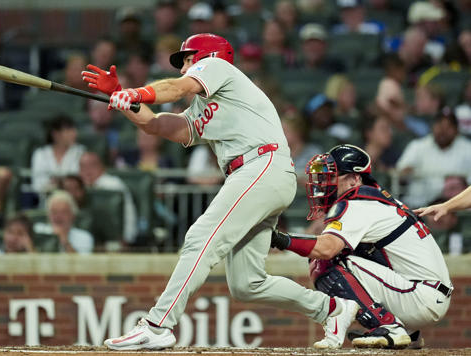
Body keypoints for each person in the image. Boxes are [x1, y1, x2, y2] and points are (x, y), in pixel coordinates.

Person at [82, 32, 359, 350]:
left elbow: (173, 88)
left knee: (200, 237)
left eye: (188, 59)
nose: (184, 67)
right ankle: (332, 309)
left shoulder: (220, 69)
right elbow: (158, 125)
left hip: (261, 164)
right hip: (258, 175)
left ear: (208, 57)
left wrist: (136, 92)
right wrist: (120, 96)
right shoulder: (203, 107)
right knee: (247, 283)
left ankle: (159, 324)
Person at [271, 144, 452, 349]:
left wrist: (282, 239)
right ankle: (408, 333)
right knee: (345, 252)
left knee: (325, 261)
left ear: (354, 179)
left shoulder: (357, 204)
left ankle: (390, 328)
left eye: (331, 176)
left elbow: (326, 249)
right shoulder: (375, 200)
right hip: (424, 293)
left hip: (420, 296)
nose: (323, 184)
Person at [396, 108, 471, 208]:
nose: (443, 131)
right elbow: (398, 174)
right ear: (432, 127)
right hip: (420, 206)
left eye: (448, 126)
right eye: (440, 125)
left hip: (454, 209)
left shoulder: (467, 148)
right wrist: (406, 172)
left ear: (456, 130)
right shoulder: (417, 146)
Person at [79, 151, 138, 245]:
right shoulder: (78, 188)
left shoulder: (114, 185)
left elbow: (128, 213)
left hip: (115, 241)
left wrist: (127, 238)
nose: (87, 170)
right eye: (83, 166)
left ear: (103, 167)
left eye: (92, 165)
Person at [31, 115, 85, 193]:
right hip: (45, 198)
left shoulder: (81, 151)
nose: (74, 133)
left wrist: (58, 182)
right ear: (55, 134)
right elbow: (37, 184)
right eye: (68, 130)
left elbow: (80, 180)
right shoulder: (40, 153)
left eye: (74, 129)